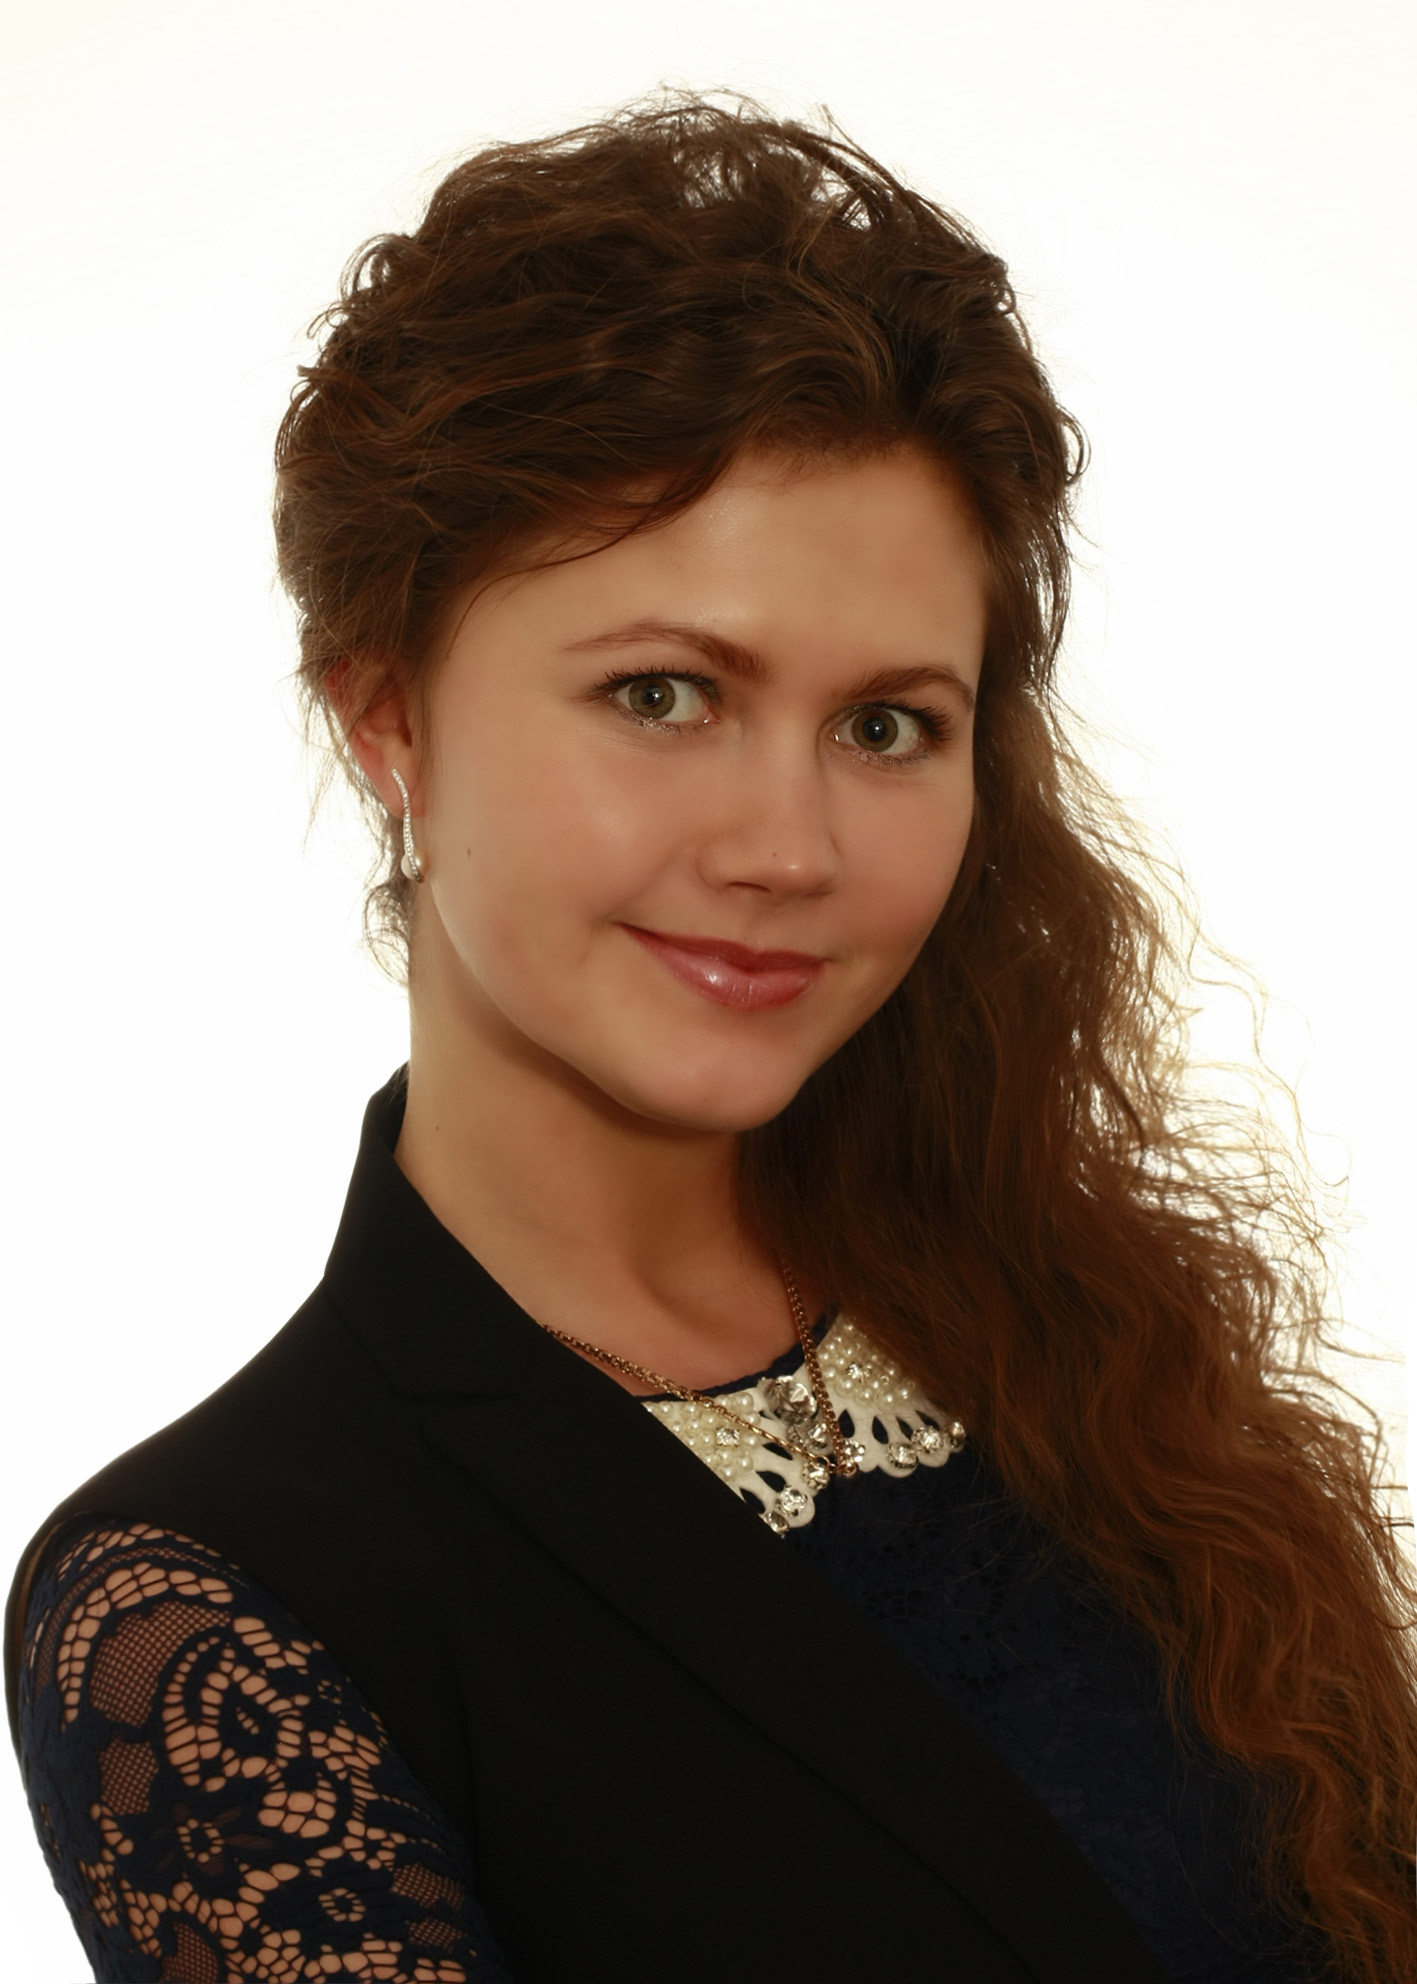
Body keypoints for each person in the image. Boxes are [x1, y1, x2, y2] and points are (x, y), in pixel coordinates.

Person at [6, 95, 1414, 1984]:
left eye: (886, 726)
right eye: (663, 694)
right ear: (390, 714)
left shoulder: (1087, 1352)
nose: (786, 850)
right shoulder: (210, 1603)